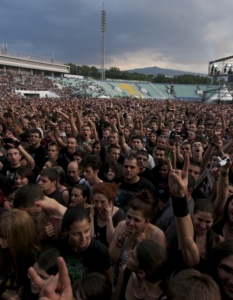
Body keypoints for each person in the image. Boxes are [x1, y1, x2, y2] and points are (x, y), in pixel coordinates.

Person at [109, 190, 166, 285]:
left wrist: (142, 247)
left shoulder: (157, 236)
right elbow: (111, 259)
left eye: (137, 220)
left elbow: (156, 272)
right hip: (118, 281)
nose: (131, 223)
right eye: (129, 217)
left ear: (147, 221)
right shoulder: (121, 226)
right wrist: (120, 240)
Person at [55, 207, 112, 283]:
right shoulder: (60, 245)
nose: (83, 238)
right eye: (76, 234)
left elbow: (108, 281)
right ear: (67, 231)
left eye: (86, 231)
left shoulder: (100, 251)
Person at [0, 209, 40, 300]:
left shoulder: (34, 259)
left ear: (20, 237)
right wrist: (6, 295)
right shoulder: (4, 250)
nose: (0, 241)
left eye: (5, 237)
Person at [90, 182, 125, 247]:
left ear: (110, 201)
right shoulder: (91, 211)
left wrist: (109, 218)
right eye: (96, 201)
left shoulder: (119, 214)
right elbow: (90, 238)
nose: (99, 205)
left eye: (102, 202)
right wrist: (91, 216)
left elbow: (111, 241)